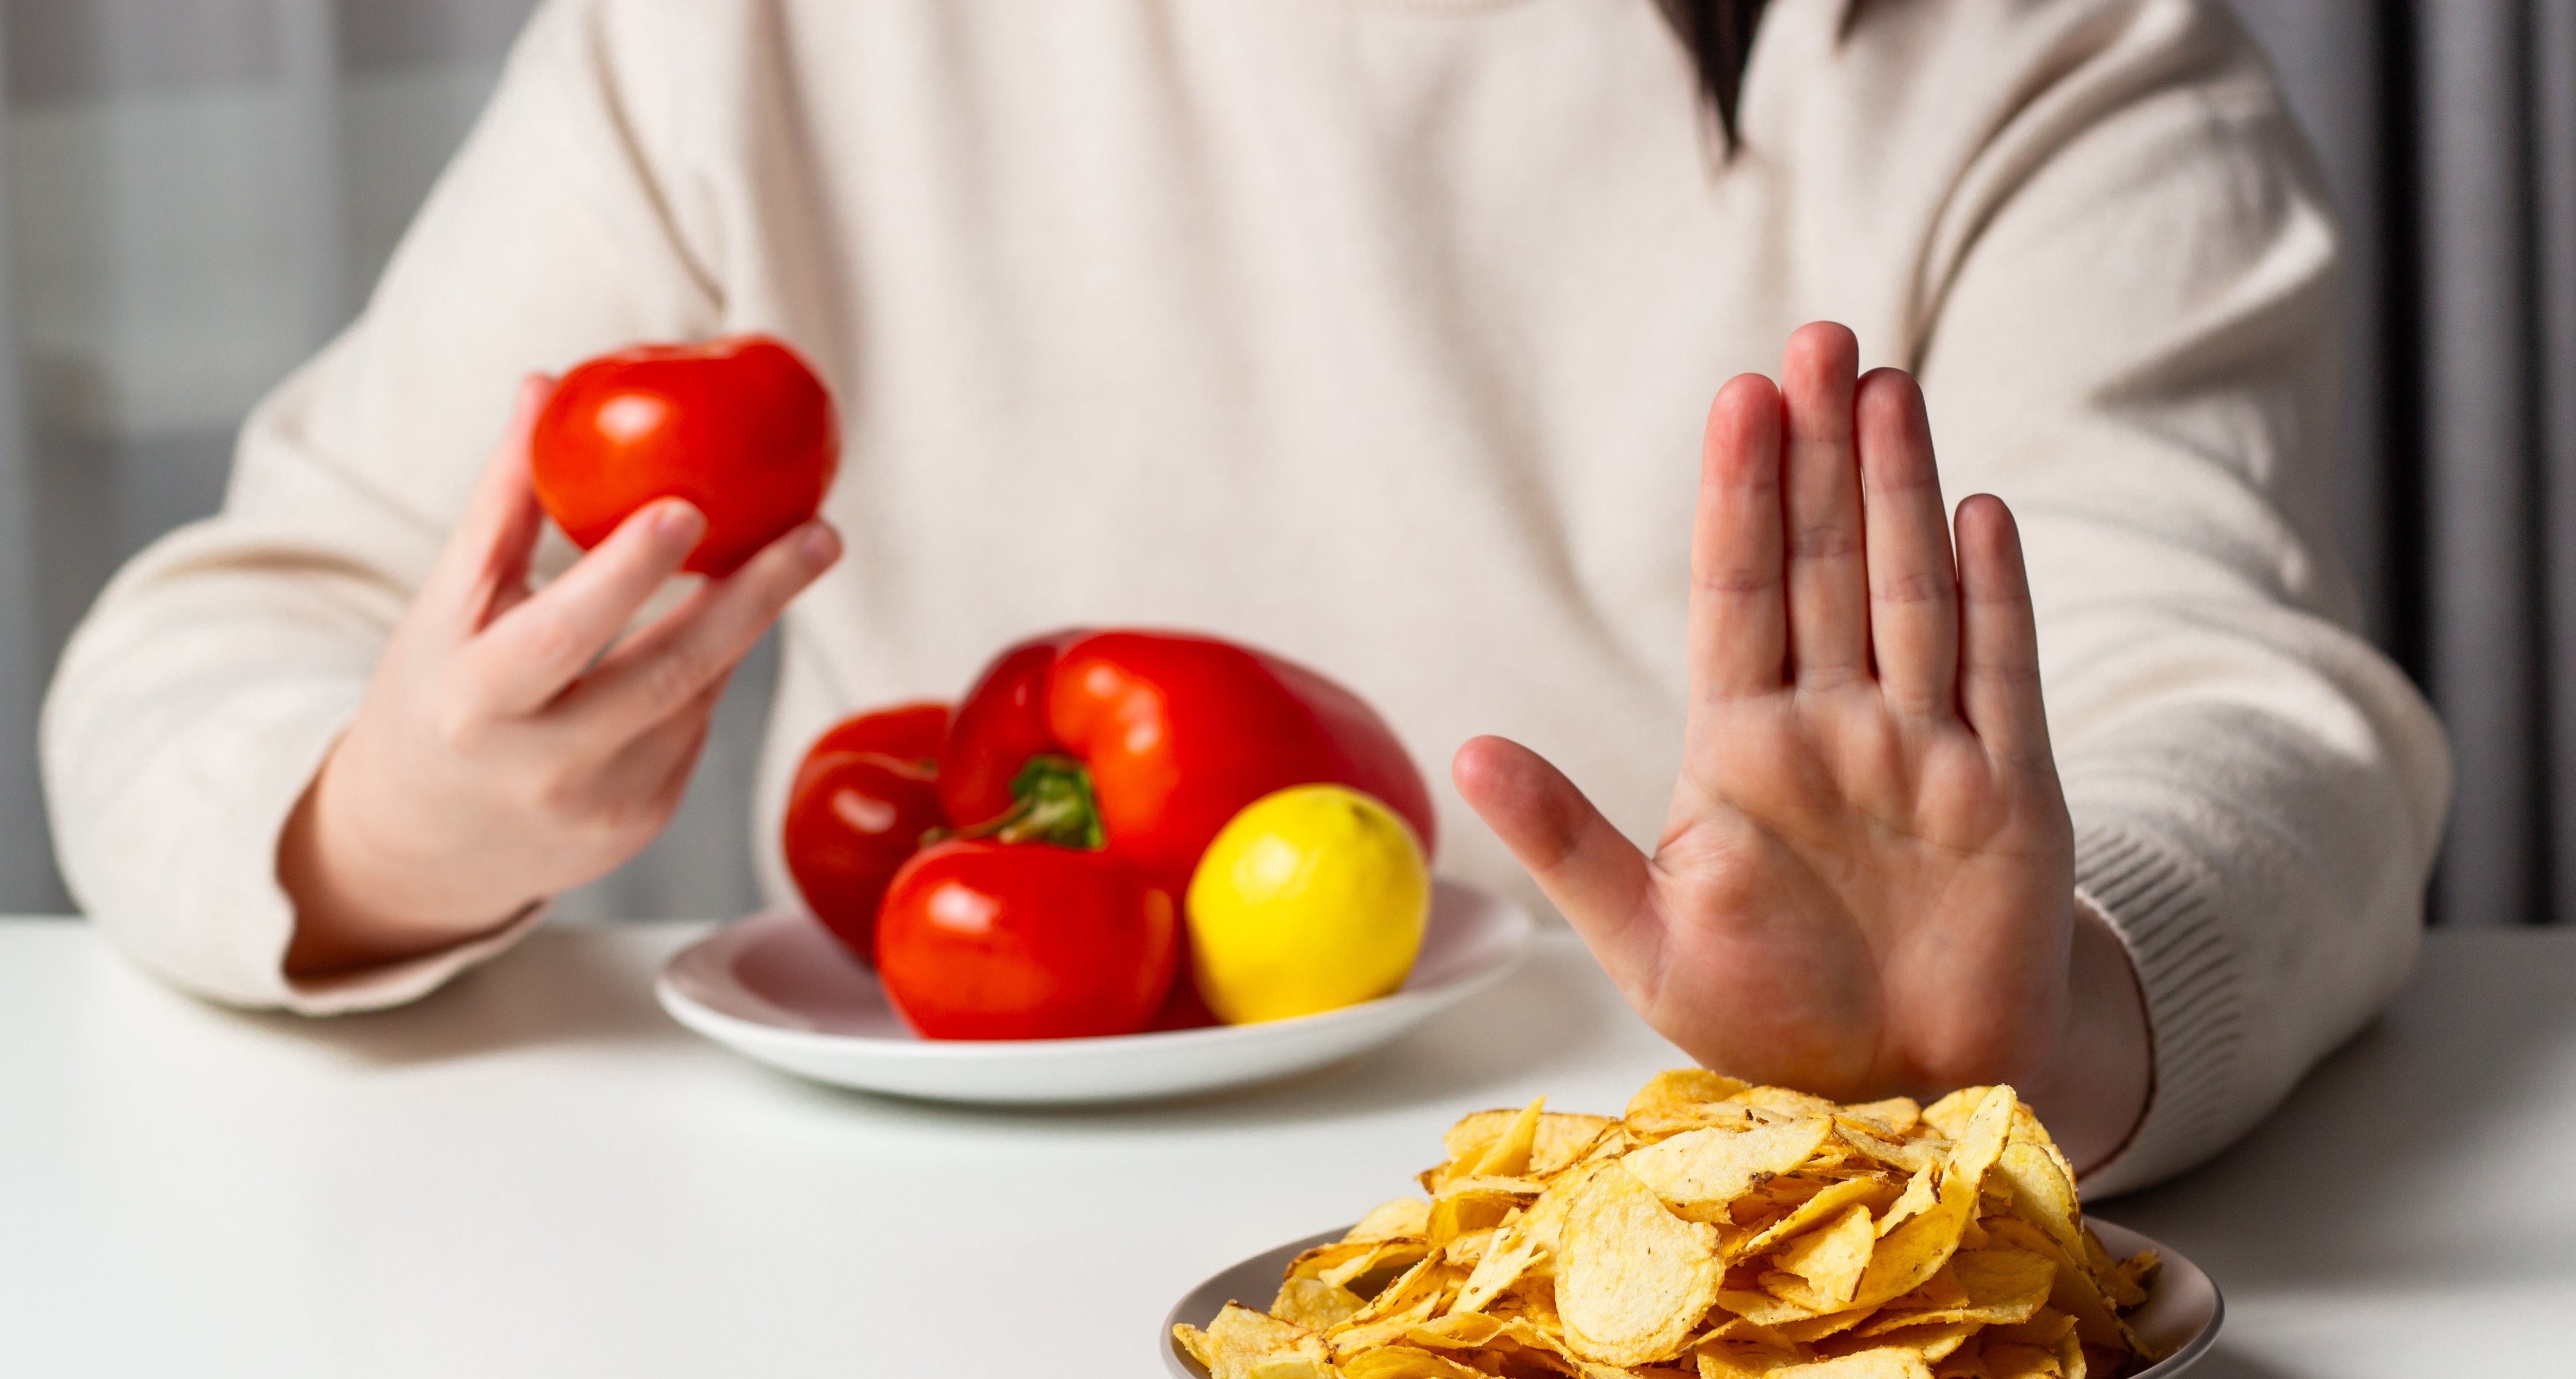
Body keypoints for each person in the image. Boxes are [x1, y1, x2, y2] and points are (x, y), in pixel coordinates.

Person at [38, 0, 2449, 1193]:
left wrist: (2037, 1025)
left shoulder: (2045, 56)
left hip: (1686, 1355)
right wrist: (396, 822)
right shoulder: (750, 35)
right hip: (898, 1312)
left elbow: (2253, 719)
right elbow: (203, 649)